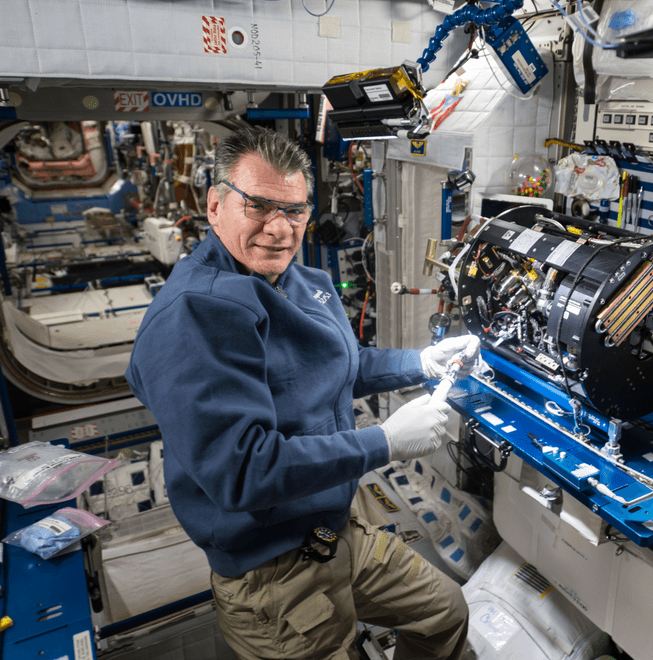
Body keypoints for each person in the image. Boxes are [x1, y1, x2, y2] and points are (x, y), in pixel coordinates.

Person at [125, 126, 477, 660]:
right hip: (271, 571)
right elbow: (243, 470)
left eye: (294, 211)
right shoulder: (195, 316)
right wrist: (382, 442)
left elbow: (340, 365)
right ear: (216, 204)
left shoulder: (296, 280)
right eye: (259, 207)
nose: (279, 228)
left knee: (444, 615)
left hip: (336, 531)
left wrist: (422, 362)